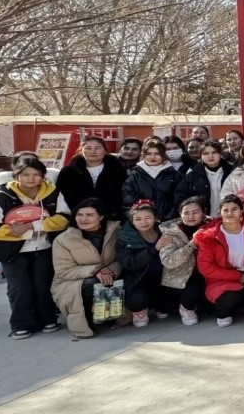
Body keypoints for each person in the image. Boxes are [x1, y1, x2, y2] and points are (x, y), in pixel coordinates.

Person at [195, 195, 244, 327]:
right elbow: (206, 267)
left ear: (241, 211)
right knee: (231, 296)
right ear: (220, 213)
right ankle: (222, 312)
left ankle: (236, 307)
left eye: (234, 209)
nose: (230, 213)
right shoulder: (209, 236)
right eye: (225, 210)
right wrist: (237, 276)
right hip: (221, 280)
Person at [50, 198, 121, 338]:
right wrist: (96, 271)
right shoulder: (63, 240)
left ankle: (108, 315)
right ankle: (89, 317)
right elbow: (64, 271)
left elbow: (122, 257)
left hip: (109, 274)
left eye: (89, 215)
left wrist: (111, 270)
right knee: (93, 284)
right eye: (79, 215)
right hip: (71, 282)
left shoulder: (115, 232)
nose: (83, 219)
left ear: (101, 217)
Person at [116, 200, 175, 328]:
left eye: (148, 218)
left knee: (167, 307)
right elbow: (129, 263)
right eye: (138, 219)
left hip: (162, 279)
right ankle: (139, 311)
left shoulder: (164, 231)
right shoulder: (125, 237)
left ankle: (159, 304)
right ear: (132, 220)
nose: (143, 222)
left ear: (155, 218)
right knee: (138, 300)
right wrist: (154, 249)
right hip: (137, 281)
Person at [157, 196, 210, 326]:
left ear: (203, 213)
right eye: (186, 213)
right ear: (180, 214)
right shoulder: (171, 233)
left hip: (205, 275)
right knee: (163, 310)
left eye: (195, 212)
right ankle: (181, 305)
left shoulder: (211, 227)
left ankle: (188, 307)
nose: (190, 216)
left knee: (205, 302)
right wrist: (191, 245)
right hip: (177, 279)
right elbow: (168, 261)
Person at [55, 136, 127, 220]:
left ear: (105, 150)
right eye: (88, 148)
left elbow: (121, 196)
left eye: (98, 148)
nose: (93, 152)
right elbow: (65, 197)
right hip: (79, 218)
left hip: (112, 217)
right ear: (81, 150)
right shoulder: (68, 172)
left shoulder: (117, 170)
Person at [122, 138, 182, 220]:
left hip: (170, 221)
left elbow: (180, 200)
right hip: (143, 221)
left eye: (157, 154)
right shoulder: (134, 176)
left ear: (163, 155)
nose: (152, 157)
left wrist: (169, 217)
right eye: (148, 154)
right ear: (143, 155)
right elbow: (129, 202)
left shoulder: (175, 175)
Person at [175, 140, 234, 212]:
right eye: (206, 153)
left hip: (228, 214)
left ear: (220, 154)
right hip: (203, 216)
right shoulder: (193, 175)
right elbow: (181, 196)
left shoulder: (231, 172)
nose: (210, 156)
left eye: (214, 152)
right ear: (201, 156)